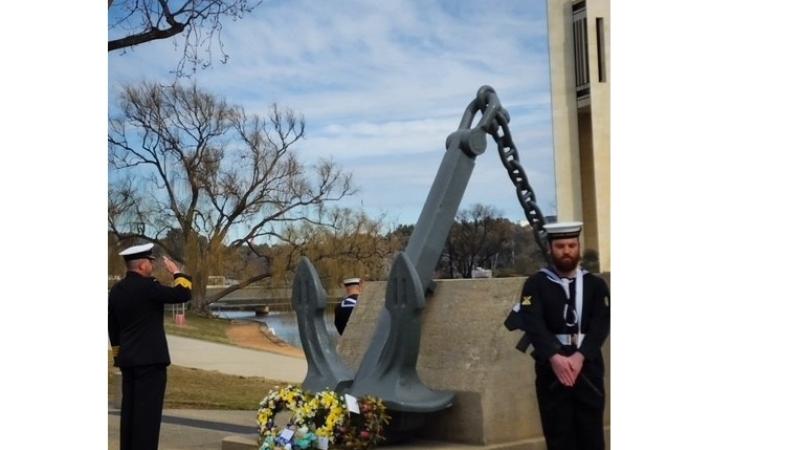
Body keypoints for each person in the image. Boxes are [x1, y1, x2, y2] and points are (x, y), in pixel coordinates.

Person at [512, 222, 610, 450]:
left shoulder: (595, 285)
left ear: (578, 247)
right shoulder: (536, 284)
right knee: (558, 433)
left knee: (591, 433)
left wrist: (580, 357)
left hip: (587, 365)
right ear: (550, 248)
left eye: (571, 245)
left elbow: (601, 324)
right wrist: (555, 357)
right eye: (560, 246)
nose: (566, 251)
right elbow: (533, 323)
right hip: (551, 368)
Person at [108, 243, 193, 450]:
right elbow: (182, 294)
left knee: (129, 413)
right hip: (151, 362)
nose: (152, 266)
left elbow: (112, 327)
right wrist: (177, 273)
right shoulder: (149, 287)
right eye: (150, 262)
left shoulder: (116, 291)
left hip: (128, 361)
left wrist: (119, 356)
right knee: (148, 417)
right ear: (142, 265)